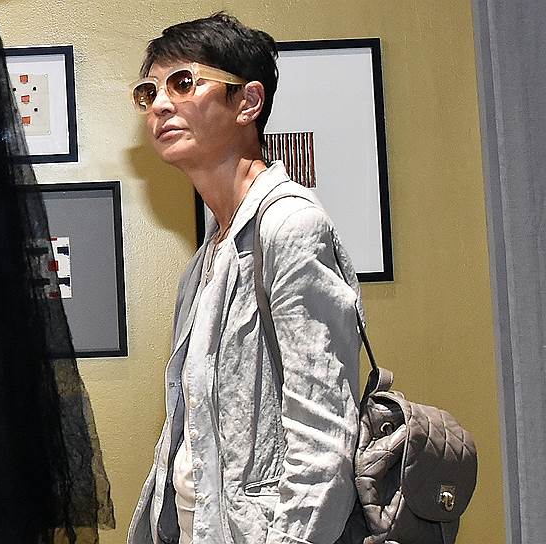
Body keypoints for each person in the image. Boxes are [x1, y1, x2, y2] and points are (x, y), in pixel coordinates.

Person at [127, 12, 368, 544]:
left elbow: (324, 433)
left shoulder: (290, 225)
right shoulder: (208, 256)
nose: (160, 104)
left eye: (182, 82)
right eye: (149, 91)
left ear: (248, 102)